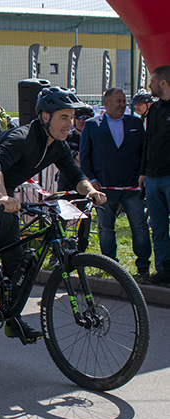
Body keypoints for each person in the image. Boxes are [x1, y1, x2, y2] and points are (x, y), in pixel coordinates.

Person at [0, 86, 106, 342]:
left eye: (72, 118)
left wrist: (91, 191)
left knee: (16, 261)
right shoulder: (23, 137)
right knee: (0, 219)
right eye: (64, 117)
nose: (70, 123)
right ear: (45, 117)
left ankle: (12, 319)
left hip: (3, 189)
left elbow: (74, 174)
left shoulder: (58, 146)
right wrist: (3, 196)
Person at [79, 87, 150, 280]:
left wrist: (142, 174)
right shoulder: (92, 125)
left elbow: (144, 152)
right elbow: (85, 156)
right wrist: (92, 180)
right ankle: (110, 264)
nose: (122, 105)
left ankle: (143, 266)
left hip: (132, 187)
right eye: (118, 101)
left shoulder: (135, 123)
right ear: (106, 103)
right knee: (105, 227)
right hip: (104, 187)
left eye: (124, 101)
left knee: (140, 226)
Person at [140, 65, 170, 285]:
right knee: (157, 227)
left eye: (152, 81)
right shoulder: (154, 109)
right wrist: (143, 172)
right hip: (152, 177)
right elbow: (147, 141)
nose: (149, 85)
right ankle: (163, 271)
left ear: (162, 83)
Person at [64, 105, 93, 171]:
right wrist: (75, 154)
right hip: (68, 176)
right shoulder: (67, 136)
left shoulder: (95, 138)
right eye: (78, 117)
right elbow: (63, 158)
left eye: (85, 117)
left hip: (89, 177)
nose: (81, 120)